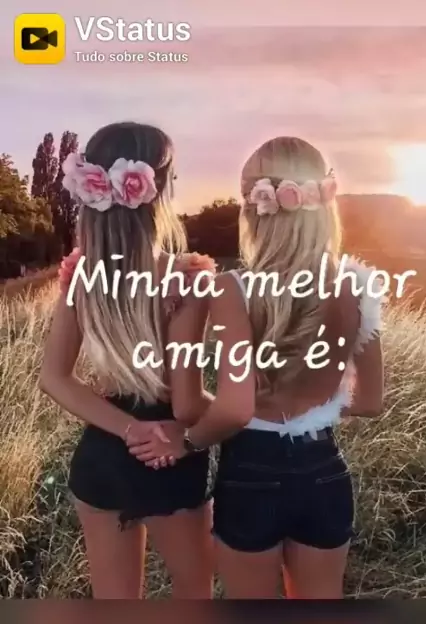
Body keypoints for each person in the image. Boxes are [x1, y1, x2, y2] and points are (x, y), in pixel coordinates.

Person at [133, 136, 384, 599]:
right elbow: (370, 402)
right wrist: (312, 408)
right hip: (325, 470)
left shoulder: (233, 288)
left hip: (251, 471)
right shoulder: (357, 285)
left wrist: (188, 441)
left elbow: (234, 409)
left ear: (254, 206)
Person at [39, 121, 215, 599]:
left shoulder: (82, 277)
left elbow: (54, 378)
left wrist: (127, 429)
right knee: (194, 596)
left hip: (103, 451)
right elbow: (187, 404)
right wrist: (233, 410)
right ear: (161, 187)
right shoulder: (184, 279)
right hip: (168, 452)